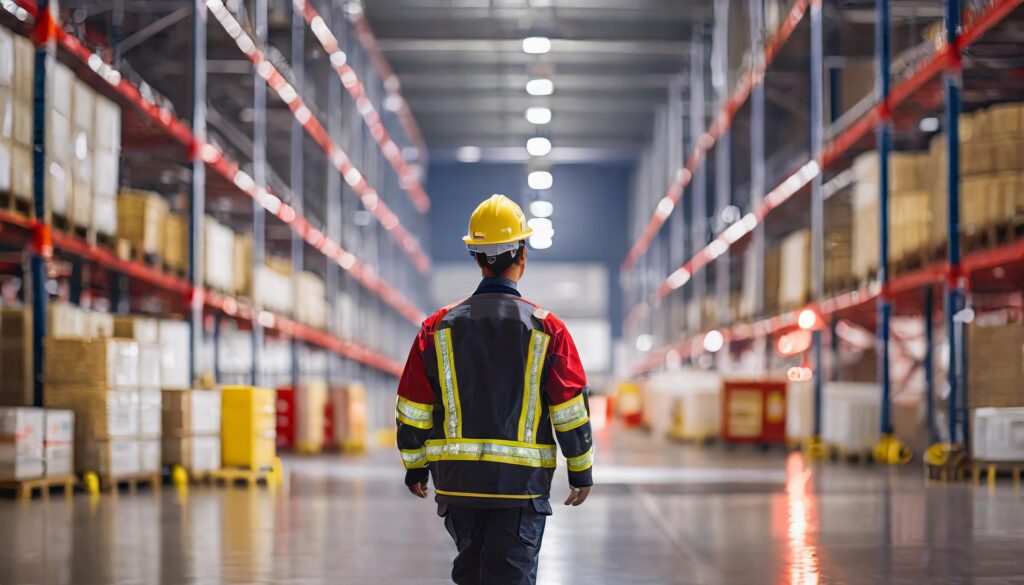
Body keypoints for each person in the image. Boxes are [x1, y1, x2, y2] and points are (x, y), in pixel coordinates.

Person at [395, 194, 594, 585]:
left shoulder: (437, 328)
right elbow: (569, 407)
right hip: (520, 490)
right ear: (522, 254)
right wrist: (580, 469)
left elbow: (413, 405)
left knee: (471, 574)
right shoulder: (547, 328)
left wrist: (415, 466)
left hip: (457, 485)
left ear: (478, 258)